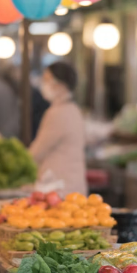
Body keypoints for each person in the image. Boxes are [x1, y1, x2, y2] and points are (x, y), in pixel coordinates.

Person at [30, 61, 88, 196]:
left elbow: (37, 151)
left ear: (61, 85)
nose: (42, 84)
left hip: (61, 190)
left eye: (46, 80)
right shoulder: (73, 110)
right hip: (71, 187)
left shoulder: (58, 113)